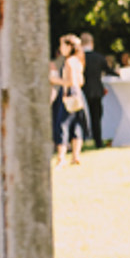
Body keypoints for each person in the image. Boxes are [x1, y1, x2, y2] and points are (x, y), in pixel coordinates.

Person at [50, 35, 87, 166]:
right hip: (78, 94)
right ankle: (76, 156)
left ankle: (61, 158)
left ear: (69, 47)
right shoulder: (79, 61)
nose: (61, 49)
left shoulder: (69, 62)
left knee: (62, 124)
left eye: (62, 45)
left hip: (69, 93)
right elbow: (81, 81)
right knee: (77, 125)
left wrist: (55, 80)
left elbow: (69, 81)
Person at [79, 33, 107, 147]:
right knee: (96, 117)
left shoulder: (79, 58)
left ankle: (81, 140)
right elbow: (108, 70)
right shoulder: (99, 57)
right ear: (91, 43)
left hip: (83, 90)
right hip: (96, 90)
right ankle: (98, 141)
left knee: (82, 118)